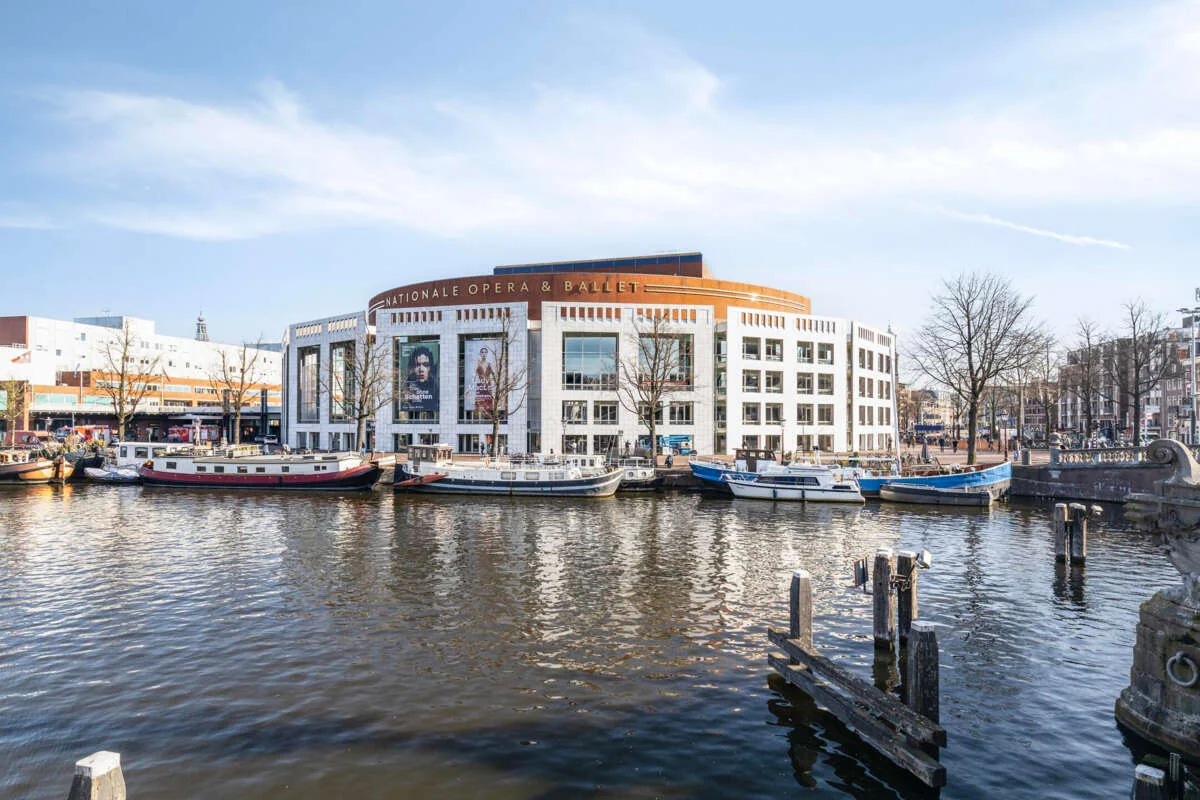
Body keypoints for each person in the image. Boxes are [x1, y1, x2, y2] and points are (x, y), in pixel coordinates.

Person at [401, 346, 438, 412]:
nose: (421, 369)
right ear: (412, 368)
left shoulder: (436, 387)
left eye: (425, 365)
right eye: (417, 365)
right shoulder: (406, 385)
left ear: (430, 368)